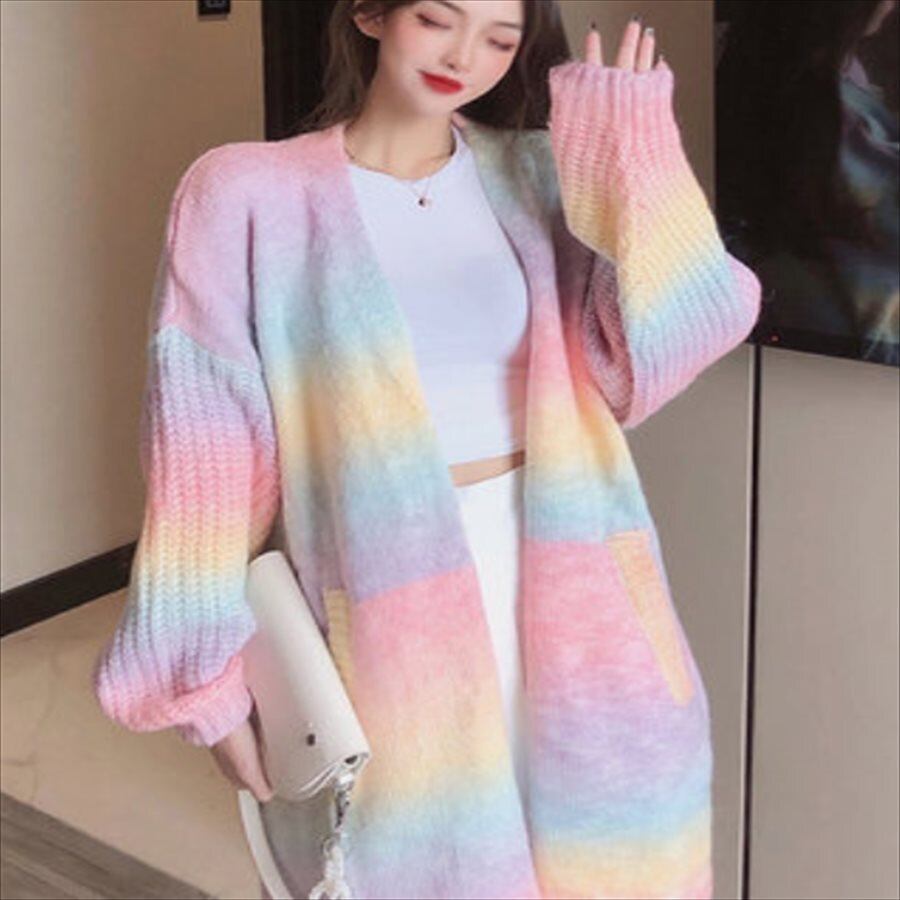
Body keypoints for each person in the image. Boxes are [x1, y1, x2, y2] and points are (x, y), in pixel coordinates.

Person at [92, 2, 762, 898]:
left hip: (583, 588)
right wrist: (203, 683)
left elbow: (665, 351)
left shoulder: (535, 172)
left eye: (499, 38)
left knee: (616, 861)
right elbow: (205, 459)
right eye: (440, 18)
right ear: (372, 13)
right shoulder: (246, 193)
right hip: (389, 601)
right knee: (431, 869)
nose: (464, 56)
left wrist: (639, 157)